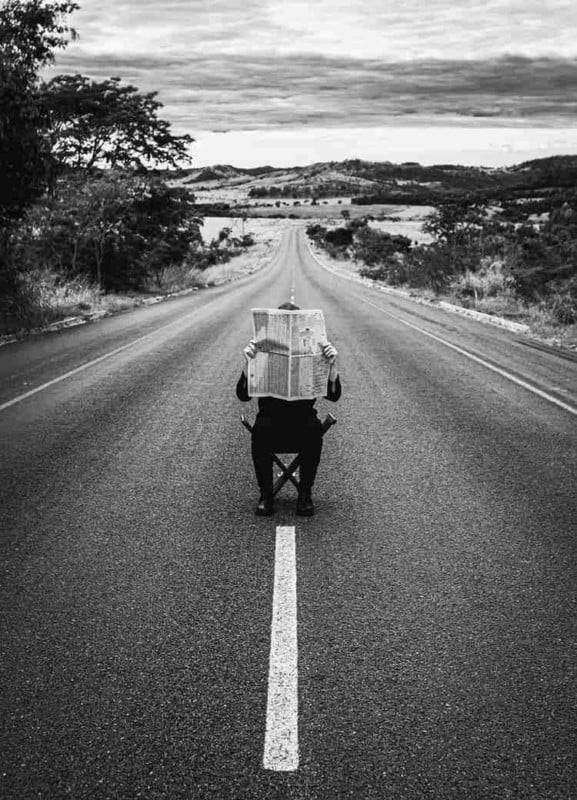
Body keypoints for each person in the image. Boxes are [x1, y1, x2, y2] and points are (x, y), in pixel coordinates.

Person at [236, 302, 341, 517]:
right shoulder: (262, 352)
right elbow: (242, 394)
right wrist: (249, 363)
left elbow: (333, 396)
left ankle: (305, 495)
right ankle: (265, 495)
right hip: (270, 422)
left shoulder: (314, 352)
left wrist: (332, 366)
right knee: (262, 428)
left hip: (302, 423)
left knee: (312, 428)